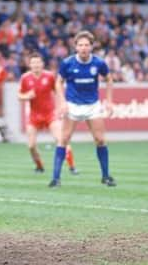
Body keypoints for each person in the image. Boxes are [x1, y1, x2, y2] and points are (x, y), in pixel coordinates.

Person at [49, 30, 115, 187]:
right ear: (75, 47)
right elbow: (58, 82)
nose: (84, 48)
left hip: (92, 105)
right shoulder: (67, 63)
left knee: (100, 140)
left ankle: (105, 176)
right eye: (80, 45)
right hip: (72, 105)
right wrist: (62, 102)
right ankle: (56, 178)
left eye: (86, 45)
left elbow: (109, 79)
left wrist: (109, 101)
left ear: (92, 47)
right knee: (63, 139)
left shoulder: (99, 63)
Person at [18, 53, 77, 174]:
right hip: (34, 116)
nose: (36, 65)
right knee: (31, 145)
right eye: (33, 63)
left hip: (50, 114)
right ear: (30, 65)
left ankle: (72, 167)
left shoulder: (49, 76)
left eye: (38, 63)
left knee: (61, 139)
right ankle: (39, 166)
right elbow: (19, 95)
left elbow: (58, 91)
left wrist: (62, 105)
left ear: (42, 64)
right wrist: (26, 96)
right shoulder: (25, 78)